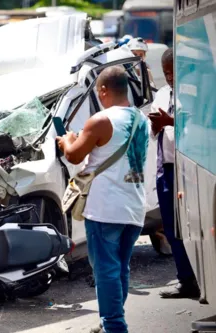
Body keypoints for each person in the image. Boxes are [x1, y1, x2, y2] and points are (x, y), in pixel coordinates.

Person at [57, 66, 149, 333]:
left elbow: (74, 155)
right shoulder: (142, 118)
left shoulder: (100, 120)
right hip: (134, 206)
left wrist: (66, 140)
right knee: (120, 267)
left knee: (106, 270)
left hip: (105, 207)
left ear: (104, 90)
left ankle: (114, 325)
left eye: (99, 91)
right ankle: (112, 319)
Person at [149, 48, 200, 299]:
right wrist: (156, 124)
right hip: (166, 167)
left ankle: (202, 277)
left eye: (173, 71)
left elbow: (198, 125)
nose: (170, 77)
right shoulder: (161, 94)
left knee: (194, 225)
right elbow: (156, 130)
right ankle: (186, 280)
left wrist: (170, 121)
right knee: (171, 227)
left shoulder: (194, 93)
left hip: (190, 167)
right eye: (166, 72)